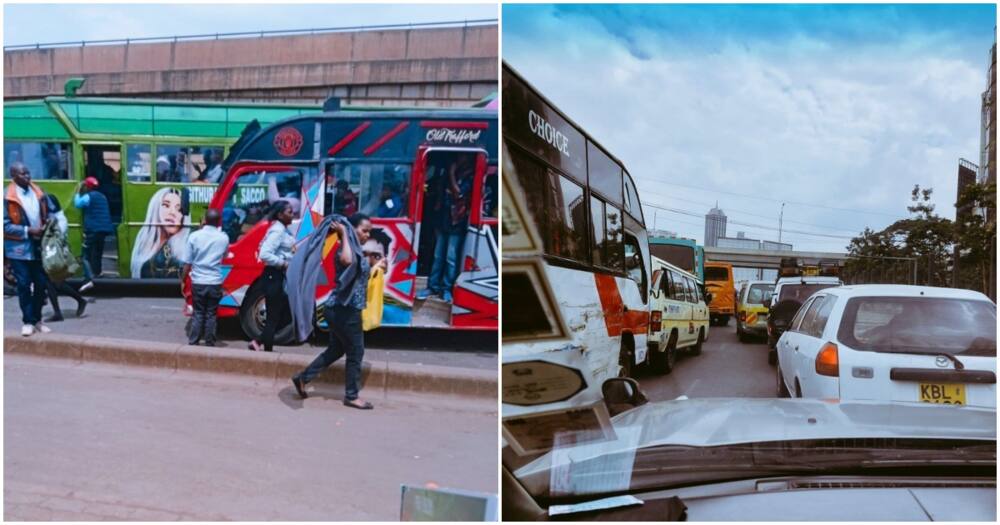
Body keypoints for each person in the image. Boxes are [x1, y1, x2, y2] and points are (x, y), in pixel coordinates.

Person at [292, 213, 374, 410]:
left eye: (369, 232)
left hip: (341, 309)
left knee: (336, 350)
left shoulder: (356, 250)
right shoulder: (343, 249)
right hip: (344, 310)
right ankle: (352, 396)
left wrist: (376, 265)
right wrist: (344, 233)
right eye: (364, 230)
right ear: (352, 229)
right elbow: (347, 261)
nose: (367, 235)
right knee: (356, 351)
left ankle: (303, 378)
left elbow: (359, 276)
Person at [415, 155, 474, 303]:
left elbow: (458, 194)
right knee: (438, 256)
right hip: (444, 221)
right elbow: (441, 195)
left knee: (451, 258)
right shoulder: (447, 176)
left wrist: (452, 173)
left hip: (457, 222)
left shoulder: (470, 176)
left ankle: (447, 288)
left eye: (460, 158)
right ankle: (433, 286)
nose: (457, 161)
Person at [4, 162, 52, 337]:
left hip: (38, 246)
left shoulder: (38, 192)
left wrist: (48, 224)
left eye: (28, 173)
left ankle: (38, 320)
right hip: (18, 249)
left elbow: (49, 212)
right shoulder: (6, 197)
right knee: (24, 285)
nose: (27, 176)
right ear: (13, 176)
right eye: (22, 174)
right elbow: (4, 226)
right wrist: (27, 230)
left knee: (41, 284)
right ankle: (27, 321)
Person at [249, 201, 295, 352]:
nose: (292, 214)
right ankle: (266, 350)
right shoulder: (278, 231)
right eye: (289, 211)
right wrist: (283, 263)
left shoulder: (284, 230)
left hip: (279, 276)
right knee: (274, 315)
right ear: (280, 215)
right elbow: (265, 254)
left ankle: (259, 342)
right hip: (273, 276)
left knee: (281, 314)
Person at [180, 208, 230, 346]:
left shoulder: (194, 236)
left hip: (198, 281)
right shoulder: (224, 237)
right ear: (218, 221)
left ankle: (193, 341)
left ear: (204, 220)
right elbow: (225, 256)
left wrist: (183, 280)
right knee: (211, 314)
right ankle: (209, 343)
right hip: (215, 282)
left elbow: (187, 263)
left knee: (198, 313)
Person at [43, 193, 87, 322]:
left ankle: (72, 304)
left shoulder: (58, 220)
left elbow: (55, 239)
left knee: (53, 282)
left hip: (56, 256)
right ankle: (62, 309)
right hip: (53, 254)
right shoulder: (56, 218)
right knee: (54, 283)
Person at [130, 187, 190, 278]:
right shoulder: (143, 243)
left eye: (179, 209)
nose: (173, 212)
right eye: (166, 205)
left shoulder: (184, 248)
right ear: (155, 208)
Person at [73, 177, 115, 291]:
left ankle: (90, 278)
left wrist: (77, 191)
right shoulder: (103, 196)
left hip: (93, 229)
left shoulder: (88, 197)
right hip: (104, 229)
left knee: (85, 256)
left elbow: (77, 204)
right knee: (97, 251)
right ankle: (97, 272)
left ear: (87, 186)